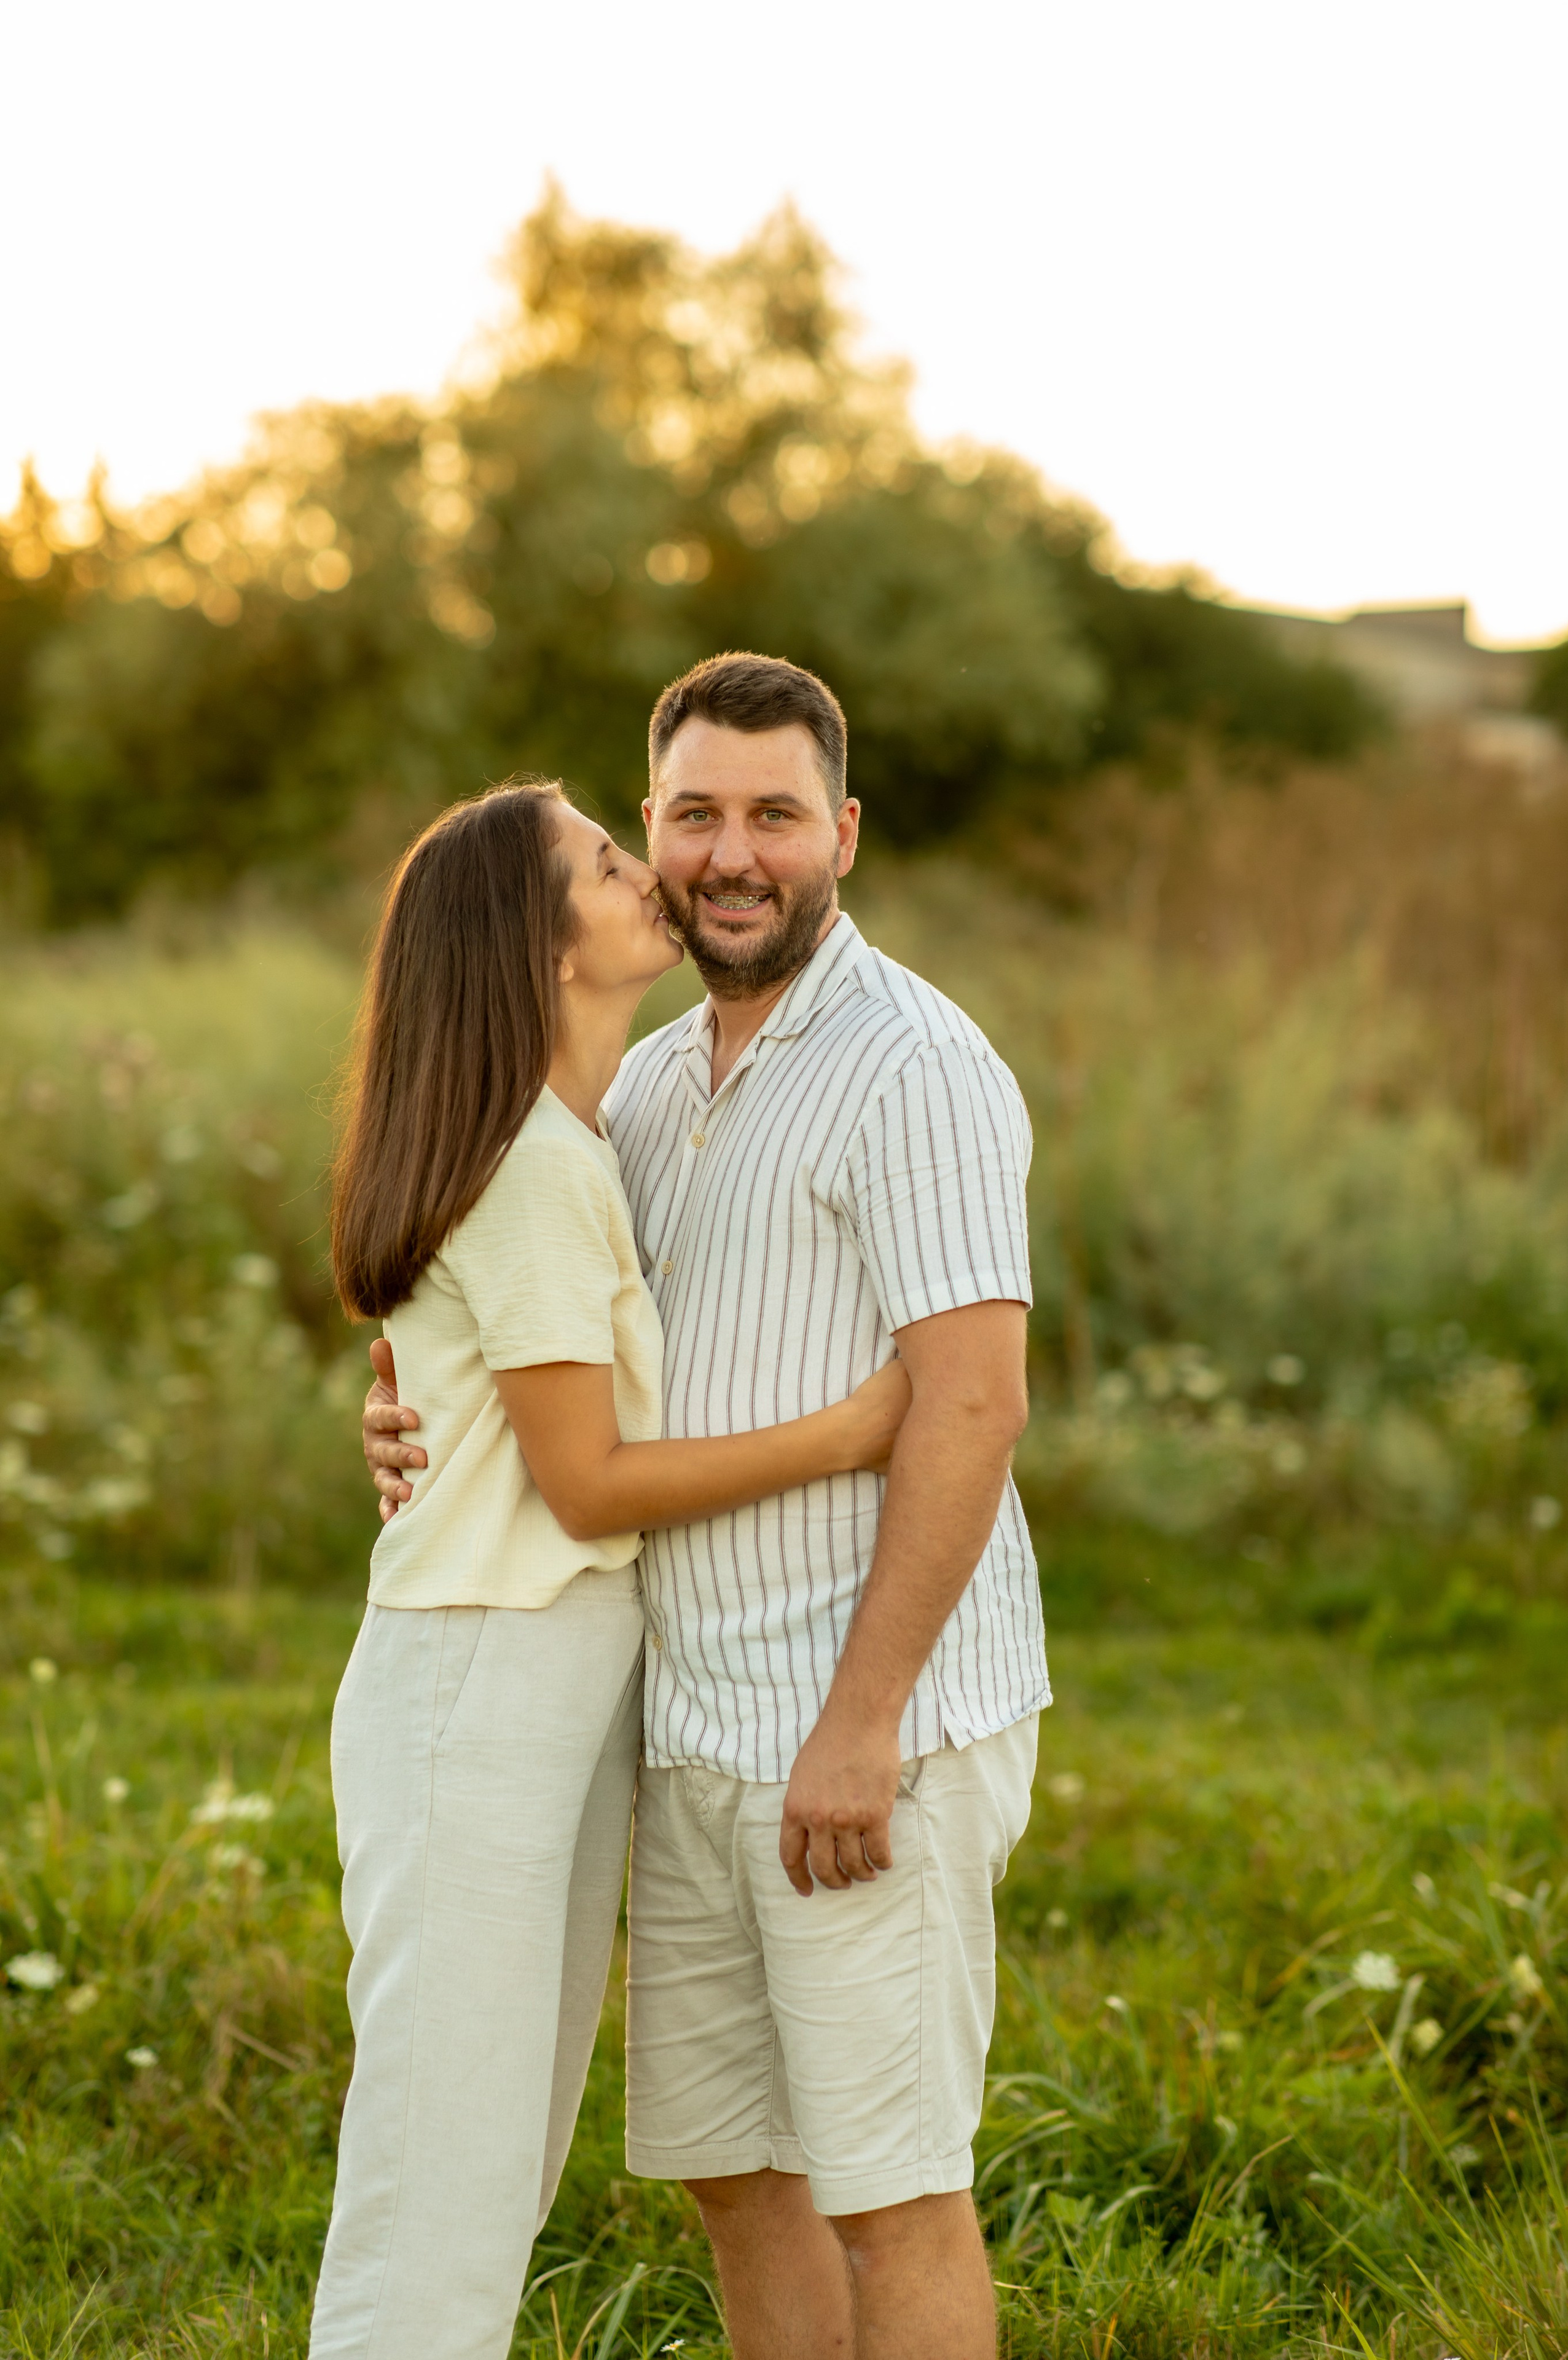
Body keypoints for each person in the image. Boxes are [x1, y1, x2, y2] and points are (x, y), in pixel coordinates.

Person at [366, 655, 1049, 2360]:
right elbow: (548, 1344)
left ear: (845, 834)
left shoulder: (916, 1068)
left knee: (891, 2193)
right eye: (691, 815)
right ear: (652, 827)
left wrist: (864, 1720)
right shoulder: (646, 1087)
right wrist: (410, 1410)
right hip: (690, 1728)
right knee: (741, 2178)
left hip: (861, 1727)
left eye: (775, 816)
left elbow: (972, 1406)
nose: (731, 854)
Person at [313, 778, 910, 2360]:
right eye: (600, 861)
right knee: (441, 2165)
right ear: (538, 942)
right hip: (481, 1680)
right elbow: (580, 1485)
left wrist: (417, 1410)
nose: (644, 870)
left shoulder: (577, 1135)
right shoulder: (526, 1164)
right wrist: (850, 1432)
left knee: (498, 2151)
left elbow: (486, 1390)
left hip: (549, 1678)